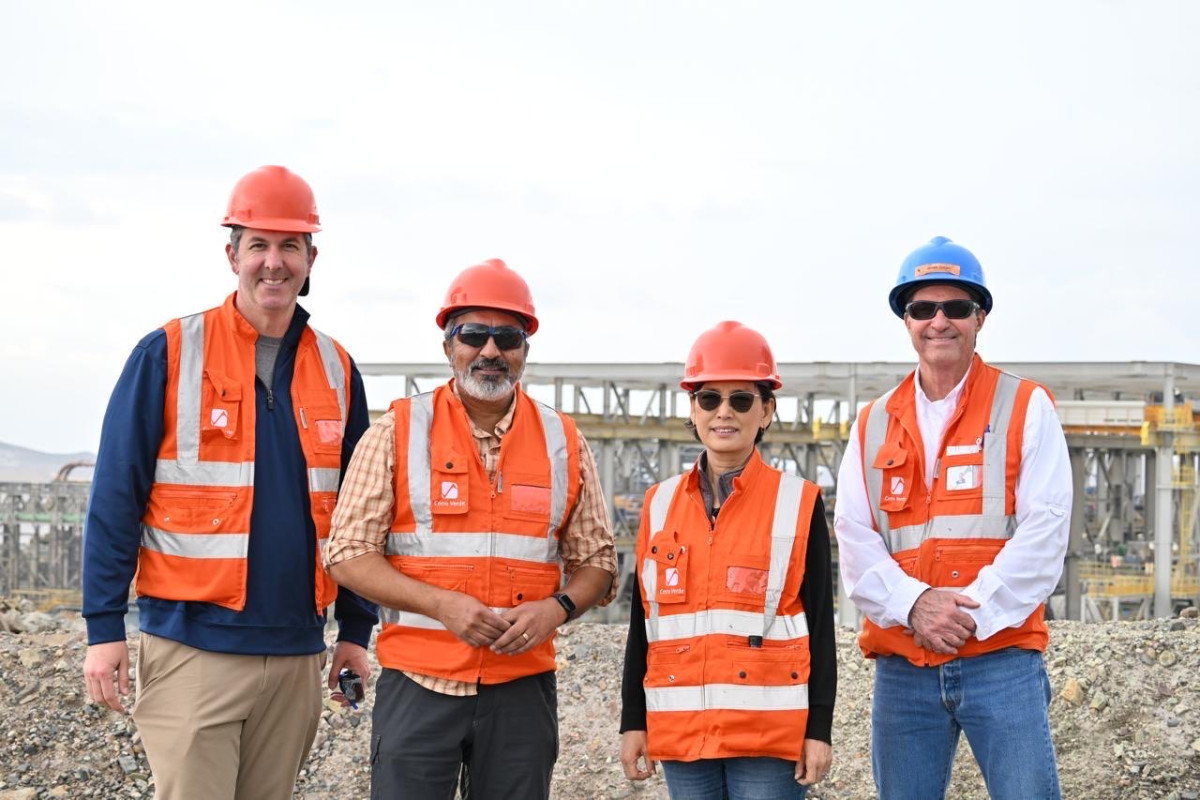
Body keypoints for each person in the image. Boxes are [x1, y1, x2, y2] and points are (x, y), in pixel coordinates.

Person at [81, 166, 377, 800]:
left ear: (311, 257)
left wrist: (355, 630)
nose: (274, 263)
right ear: (231, 254)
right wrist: (103, 629)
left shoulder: (337, 367)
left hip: (300, 652)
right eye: (259, 245)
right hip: (194, 649)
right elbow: (115, 499)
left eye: (289, 246)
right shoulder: (167, 353)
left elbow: (360, 517)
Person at [325, 258, 617, 800]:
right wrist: (442, 605)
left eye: (506, 337)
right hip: (419, 682)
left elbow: (598, 561)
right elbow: (345, 553)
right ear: (448, 346)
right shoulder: (396, 433)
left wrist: (557, 609)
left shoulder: (564, 441)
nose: (489, 351)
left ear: (525, 349)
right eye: (473, 334)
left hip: (521, 689)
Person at [834, 236, 1071, 799]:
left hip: (1001, 660)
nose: (939, 321)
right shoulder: (871, 424)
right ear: (906, 320)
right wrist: (915, 606)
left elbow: (1046, 529)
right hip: (903, 669)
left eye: (956, 308)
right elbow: (854, 536)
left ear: (979, 318)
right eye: (923, 309)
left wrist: (965, 617)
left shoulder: (1024, 406)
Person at [619, 321, 836, 799]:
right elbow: (645, 623)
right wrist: (633, 720)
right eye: (709, 398)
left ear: (766, 411)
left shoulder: (797, 502)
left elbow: (820, 623)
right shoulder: (659, 504)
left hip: (768, 735)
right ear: (693, 409)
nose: (724, 412)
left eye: (741, 399)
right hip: (681, 732)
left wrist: (819, 729)